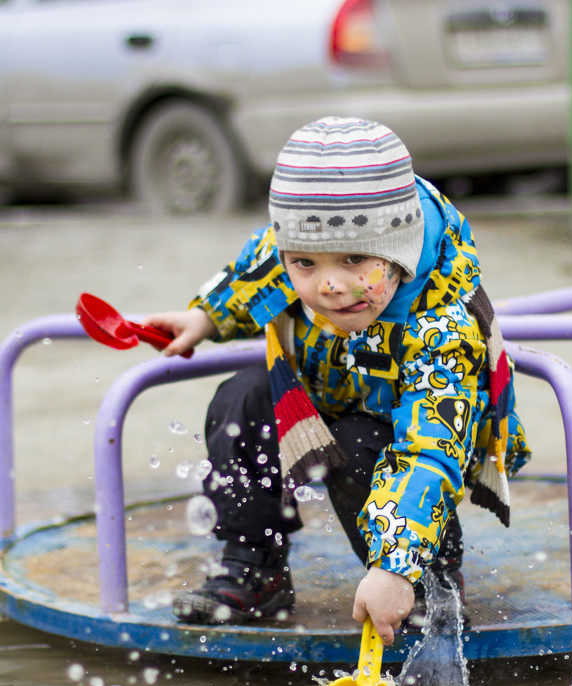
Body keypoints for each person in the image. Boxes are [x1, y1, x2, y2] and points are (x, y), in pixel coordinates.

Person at [145, 117, 530, 645]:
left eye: (354, 260)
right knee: (242, 397)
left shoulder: (440, 325)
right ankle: (255, 568)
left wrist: (396, 568)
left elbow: (430, 450)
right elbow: (257, 270)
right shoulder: (300, 246)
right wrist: (207, 318)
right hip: (326, 393)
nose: (329, 284)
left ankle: (430, 581)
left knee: (357, 444)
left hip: (412, 432)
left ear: (401, 249)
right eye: (305, 263)